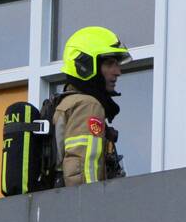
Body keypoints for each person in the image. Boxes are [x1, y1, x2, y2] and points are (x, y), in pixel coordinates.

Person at [53, 26, 132, 186]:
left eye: (117, 64)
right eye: (110, 64)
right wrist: (92, 206)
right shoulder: (88, 105)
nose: (117, 72)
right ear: (86, 65)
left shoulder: (66, 103)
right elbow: (83, 170)